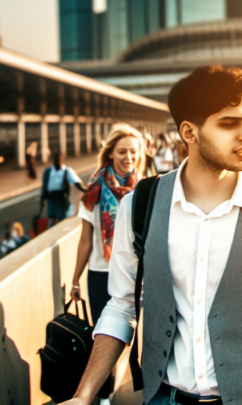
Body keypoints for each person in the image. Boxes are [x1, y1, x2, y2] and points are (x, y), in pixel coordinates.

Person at [64, 65, 242, 405]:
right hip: (164, 398)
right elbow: (121, 306)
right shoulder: (139, 206)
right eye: (229, 123)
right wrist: (83, 396)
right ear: (189, 132)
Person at [69, 123, 144, 405]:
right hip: (101, 274)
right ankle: (103, 396)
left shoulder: (146, 189)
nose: (128, 157)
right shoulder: (93, 191)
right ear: (110, 152)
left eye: (133, 152)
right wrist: (75, 280)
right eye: (122, 151)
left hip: (137, 275)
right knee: (105, 335)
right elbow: (85, 241)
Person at [40, 153, 87, 227]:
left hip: (61, 199)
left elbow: (76, 182)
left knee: (61, 218)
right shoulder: (48, 171)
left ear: (62, 161)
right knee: (51, 218)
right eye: (56, 160)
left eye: (59, 160)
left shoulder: (66, 170)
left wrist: (85, 190)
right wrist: (42, 199)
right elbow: (44, 186)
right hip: (51, 199)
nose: (57, 162)